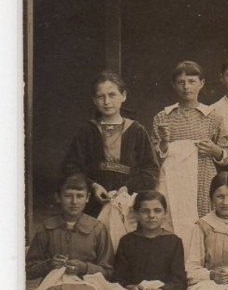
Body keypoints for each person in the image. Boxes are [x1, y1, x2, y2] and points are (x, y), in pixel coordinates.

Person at [152, 61, 228, 245]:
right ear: (174, 85)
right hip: (173, 181)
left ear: (201, 83)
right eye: (181, 82)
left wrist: (215, 150)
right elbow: (155, 155)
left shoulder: (212, 117)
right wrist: (165, 141)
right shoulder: (163, 117)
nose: (186, 86)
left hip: (202, 179)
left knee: (201, 223)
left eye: (191, 81)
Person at [61, 71, 159, 215]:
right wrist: (93, 186)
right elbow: (70, 167)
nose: (107, 102)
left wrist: (127, 188)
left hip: (128, 201)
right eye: (101, 97)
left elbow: (150, 170)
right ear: (94, 100)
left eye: (112, 95)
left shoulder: (136, 130)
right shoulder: (87, 131)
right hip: (94, 202)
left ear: (123, 96)